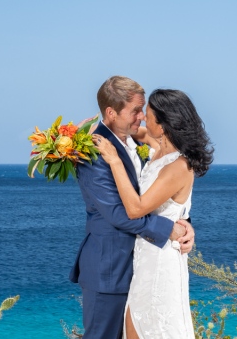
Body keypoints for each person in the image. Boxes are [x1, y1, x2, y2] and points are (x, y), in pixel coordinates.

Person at [70, 76, 195, 339]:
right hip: (110, 269)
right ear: (111, 112)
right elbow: (117, 213)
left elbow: (162, 196)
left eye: (143, 111)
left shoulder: (138, 142)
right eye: (136, 111)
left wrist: (185, 224)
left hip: (143, 269)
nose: (141, 118)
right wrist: (167, 229)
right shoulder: (93, 152)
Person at [93, 88, 213, 339]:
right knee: (136, 325)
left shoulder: (178, 167)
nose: (142, 119)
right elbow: (120, 125)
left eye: (147, 114)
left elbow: (136, 209)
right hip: (145, 257)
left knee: (154, 327)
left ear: (165, 123)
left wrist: (114, 161)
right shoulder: (156, 143)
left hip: (160, 261)